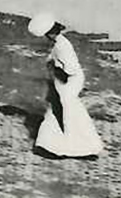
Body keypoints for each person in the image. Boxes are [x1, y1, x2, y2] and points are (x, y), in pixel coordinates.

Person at [26, 12, 102, 158]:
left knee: (68, 112)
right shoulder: (60, 42)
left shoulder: (62, 47)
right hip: (65, 81)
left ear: (49, 34)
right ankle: (49, 145)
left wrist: (57, 71)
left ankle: (80, 148)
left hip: (68, 82)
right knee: (58, 110)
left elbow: (70, 69)